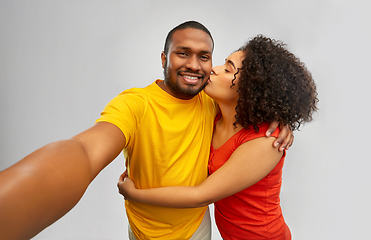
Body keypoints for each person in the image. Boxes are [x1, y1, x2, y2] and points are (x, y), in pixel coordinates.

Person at [0, 22, 293, 240]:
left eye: (206, 57)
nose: (200, 66)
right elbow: (86, 151)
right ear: (164, 59)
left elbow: (203, 193)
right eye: (183, 53)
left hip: (206, 230)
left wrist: (282, 120)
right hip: (144, 231)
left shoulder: (224, 111)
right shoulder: (136, 104)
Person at [118, 35, 318, 240]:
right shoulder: (215, 112)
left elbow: (200, 195)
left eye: (228, 69)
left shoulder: (266, 142)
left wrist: (134, 195)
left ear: (251, 88)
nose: (214, 68)